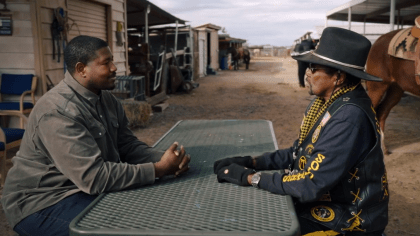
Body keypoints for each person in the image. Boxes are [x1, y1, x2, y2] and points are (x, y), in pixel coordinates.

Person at [1, 35, 191, 236]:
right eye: (105, 63)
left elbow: (127, 146)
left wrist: (166, 159)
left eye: (112, 61)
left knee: (151, 211)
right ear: (82, 69)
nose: (114, 68)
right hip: (42, 203)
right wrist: (158, 170)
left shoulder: (107, 99)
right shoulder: (57, 111)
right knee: (126, 229)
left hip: (80, 190)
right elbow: (94, 177)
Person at [213, 27, 388, 236]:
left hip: (346, 219)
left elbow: (310, 184)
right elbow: (299, 152)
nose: (307, 73)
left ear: (338, 78)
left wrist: (251, 178)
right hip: (328, 205)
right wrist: (251, 161)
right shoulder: (330, 104)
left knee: (260, 227)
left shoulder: (348, 117)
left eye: (313, 68)